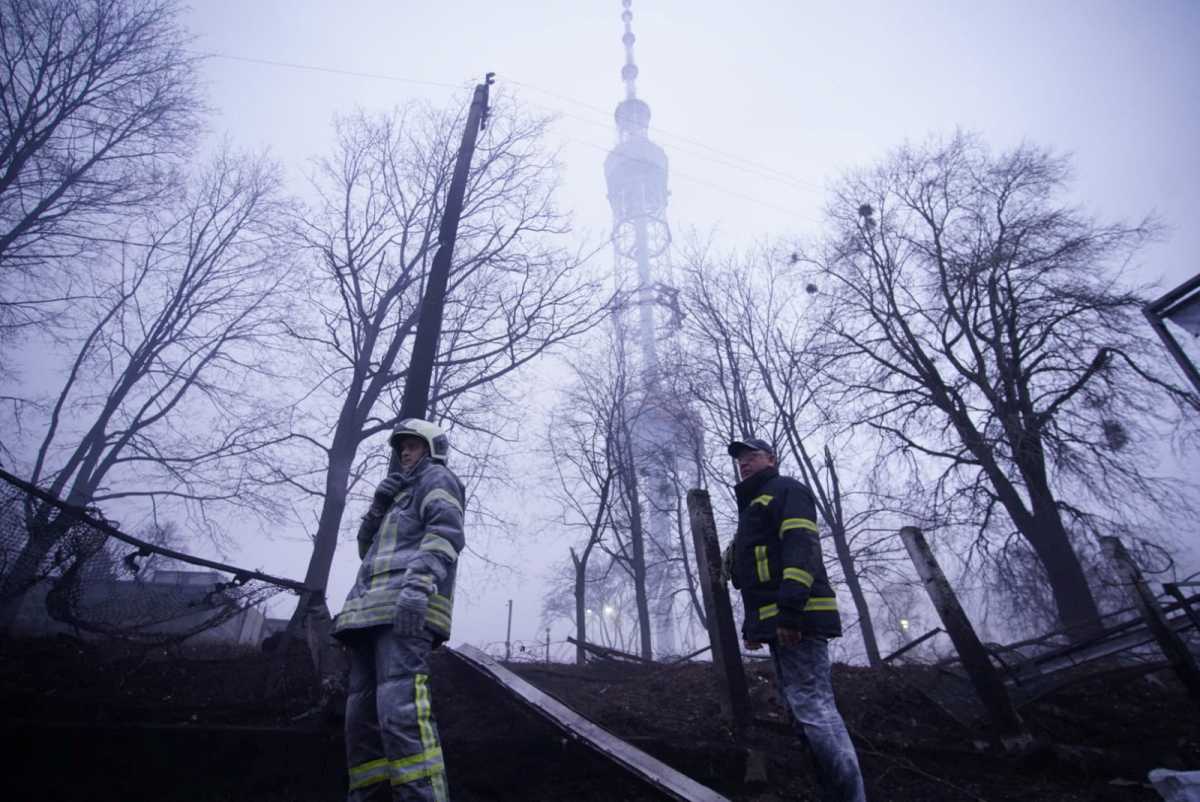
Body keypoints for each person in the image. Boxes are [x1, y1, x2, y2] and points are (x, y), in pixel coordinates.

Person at [724, 436, 866, 802]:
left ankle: (851, 795)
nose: (744, 463)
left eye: (751, 456)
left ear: (771, 459)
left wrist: (789, 613)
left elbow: (801, 547)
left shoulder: (787, 490)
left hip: (798, 618)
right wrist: (753, 625)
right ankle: (831, 791)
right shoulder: (754, 506)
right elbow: (757, 574)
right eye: (740, 459)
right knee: (802, 706)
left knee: (813, 704)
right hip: (781, 621)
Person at [333, 418, 465, 802]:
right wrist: (377, 506)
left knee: (400, 711)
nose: (404, 452)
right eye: (401, 447)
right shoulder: (395, 496)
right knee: (361, 721)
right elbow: (366, 551)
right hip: (367, 615)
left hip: (405, 610)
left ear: (432, 449)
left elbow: (446, 534)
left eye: (413, 446)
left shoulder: (437, 480)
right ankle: (368, 796)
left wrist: (416, 588)